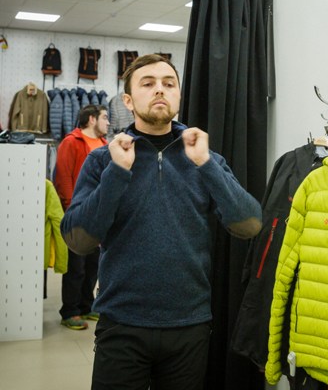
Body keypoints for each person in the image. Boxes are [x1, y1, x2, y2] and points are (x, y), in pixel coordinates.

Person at [60, 54, 262, 389]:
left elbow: (249, 224)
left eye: (169, 84)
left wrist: (206, 164)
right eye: (148, 83)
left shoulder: (204, 158)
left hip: (189, 325)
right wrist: (117, 172)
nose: (160, 90)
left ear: (179, 96)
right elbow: (78, 240)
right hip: (121, 324)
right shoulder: (103, 160)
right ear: (128, 100)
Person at [54, 104, 109, 330]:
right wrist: (72, 210)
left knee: (94, 264)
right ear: (91, 119)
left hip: (98, 215)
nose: (108, 122)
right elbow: (63, 177)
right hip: (78, 214)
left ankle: (87, 305)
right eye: (104, 117)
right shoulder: (71, 142)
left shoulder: (105, 145)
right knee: (76, 267)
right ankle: (70, 310)